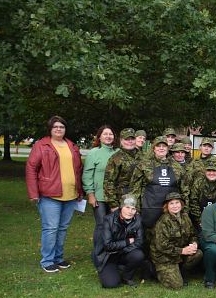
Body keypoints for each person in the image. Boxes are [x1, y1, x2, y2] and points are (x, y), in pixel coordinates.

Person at [26, 116, 83, 273]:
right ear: (50, 129)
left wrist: (80, 191)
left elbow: (78, 170)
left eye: (62, 127)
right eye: (55, 127)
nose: (59, 129)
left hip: (70, 195)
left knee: (62, 228)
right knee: (50, 228)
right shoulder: (41, 145)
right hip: (49, 195)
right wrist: (33, 193)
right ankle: (47, 260)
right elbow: (31, 168)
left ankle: (58, 258)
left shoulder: (71, 145)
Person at [130, 136, 187, 230]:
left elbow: (184, 190)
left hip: (171, 210)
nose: (161, 148)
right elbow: (135, 188)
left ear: (168, 148)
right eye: (158, 146)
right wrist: (136, 208)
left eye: (164, 146)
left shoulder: (177, 167)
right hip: (149, 210)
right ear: (154, 148)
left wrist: (184, 210)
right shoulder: (144, 165)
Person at [150, 192, 203, 289]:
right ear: (167, 206)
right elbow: (162, 246)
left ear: (181, 204)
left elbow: (193, 234)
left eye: (177, 202)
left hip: (179, 255)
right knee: (176, 286)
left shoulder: (185, 217)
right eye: (171, 203)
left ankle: (181, 272)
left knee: (197, 253)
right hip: (164, 257)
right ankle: (154, 270)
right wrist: (182, 251)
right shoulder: (163, 221)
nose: (175, 206)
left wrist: (194, 243)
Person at [83, 125, 118, 264]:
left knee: (114, 226)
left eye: (111, 134)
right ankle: (98, 255)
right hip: (99, 197)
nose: (108, 136)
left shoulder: (118, 152)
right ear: (99, 137)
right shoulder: (94, 153)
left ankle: (112, 254)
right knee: (101, 225)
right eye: (105, 134)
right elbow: (87, 175)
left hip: (115, 197)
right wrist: (90, 194)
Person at [95, 194, 145, 288]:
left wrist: (122, 250)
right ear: (121, 207)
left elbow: (139, 242)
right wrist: (127, 242)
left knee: (138, 255)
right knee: (111, 284)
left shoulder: (138, 220)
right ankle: (110, 269)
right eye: (127, 207)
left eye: (133, 209)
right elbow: (108, 246)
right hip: (108, 256)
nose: (130, 211)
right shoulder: (108, 219)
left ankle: (127, 277)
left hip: (124, 252)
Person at [103, 128, 140, 211]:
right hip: (123, 200)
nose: (130, 141)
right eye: (127, 139)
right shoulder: (116, 158)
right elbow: (109, 182)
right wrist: (113, 204)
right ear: (121, 141)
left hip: (140, 200)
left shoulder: (142, 156)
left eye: (132, 139)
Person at [187, 162, 216, 228]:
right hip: (200, 220)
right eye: (209, 170)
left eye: (214, 171)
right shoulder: (198, 182)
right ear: (205, 171)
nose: (211, 173)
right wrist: (200, 220)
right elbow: (193, 202)